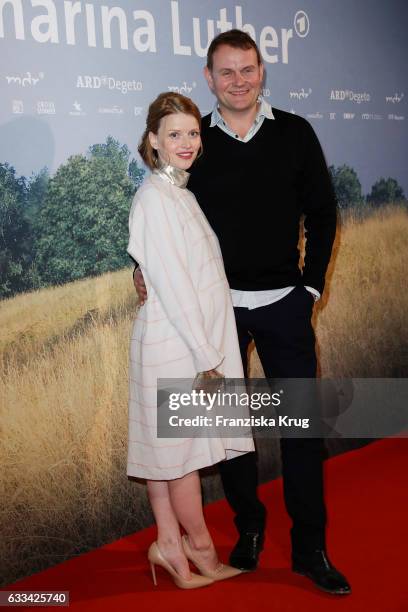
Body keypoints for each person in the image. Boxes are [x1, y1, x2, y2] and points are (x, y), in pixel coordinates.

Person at [134, 31, 351, 596]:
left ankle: (311, 550)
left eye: (247, 70)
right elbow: (161, 218)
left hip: (285, 305)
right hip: (217, 315)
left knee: (301, 428)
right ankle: (248, 531)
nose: (238, 80)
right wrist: (140, 269)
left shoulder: (296, 134)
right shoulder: (193, 140)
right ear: (209, 78)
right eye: (226, 72)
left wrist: (309, 289)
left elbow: (324, 213)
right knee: (230, 433)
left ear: (261, 71)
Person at [127, 91, 254, 589]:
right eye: (174, 134)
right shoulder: (155, 198)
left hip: (179, 341)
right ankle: (201, 550)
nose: (186, 143)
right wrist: (208, 360)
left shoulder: (180, 192)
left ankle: (169, 548)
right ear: (153, 141)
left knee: (165, 457)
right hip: (177, 345)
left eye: (193, 133)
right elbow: (177, 288)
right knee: (180, 460)